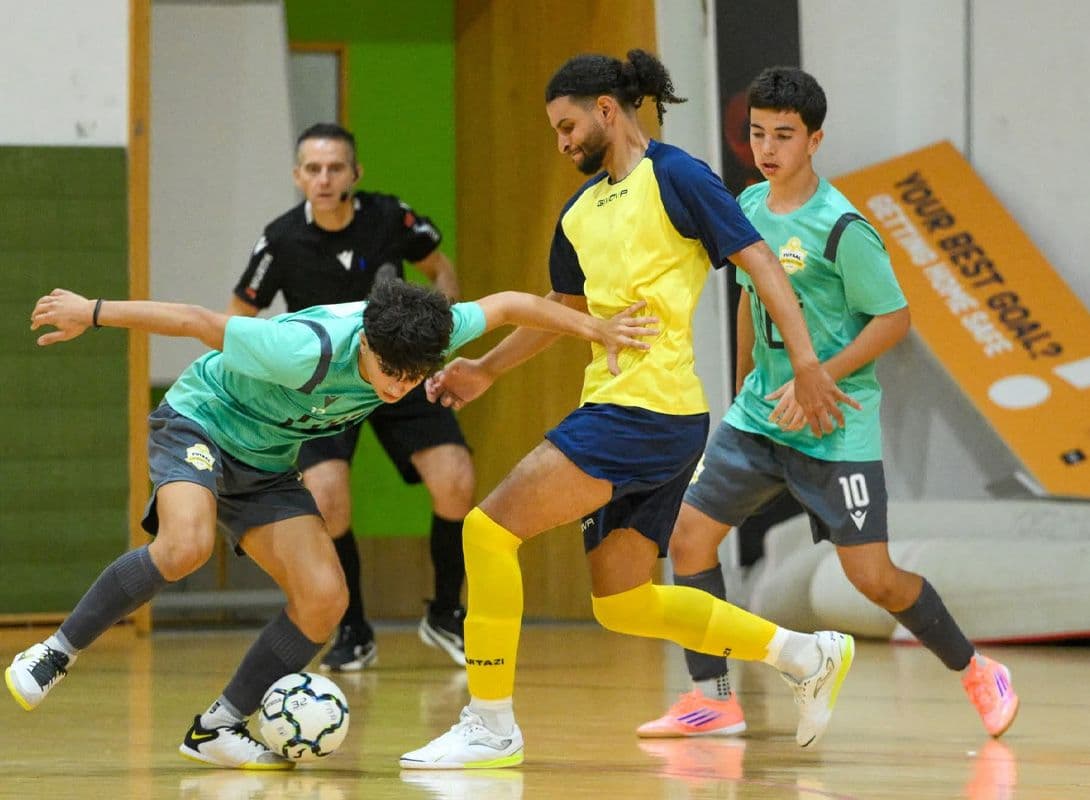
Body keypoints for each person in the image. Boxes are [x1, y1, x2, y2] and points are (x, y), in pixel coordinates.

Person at [399, 50, 862, 771]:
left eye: (566, 125)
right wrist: (486, 369)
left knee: (487, 531)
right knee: (622, 602)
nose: (561, 143)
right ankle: (804, 654)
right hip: (638, 415)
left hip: (644, 411)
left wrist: (805, 363)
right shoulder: (580, 213)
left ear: (607, 110)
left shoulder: (676, 176)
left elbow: (760, 263)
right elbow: (561, 309)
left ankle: (490, 724)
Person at [8, 278, 656, 770]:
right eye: (389, 373)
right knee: (185, 546)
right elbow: (193, 320)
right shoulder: (302, 349)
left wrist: (596, 330)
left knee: (325, 600)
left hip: (266, 465)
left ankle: (218, 726)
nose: (399, 387)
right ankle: (53, 653)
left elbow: (513, 303)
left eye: (414, 375)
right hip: (202, 423)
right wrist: (89, 312)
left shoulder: (428, 330)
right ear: (367, 343)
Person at [636, 66, 1019, 741]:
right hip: (759, 418)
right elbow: (751, 301)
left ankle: (977, 671)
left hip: (834, 426)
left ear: (815, 139)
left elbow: (893, 319)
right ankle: (714, 698)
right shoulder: (748, 206)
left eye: (784, 135)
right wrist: (743, 389)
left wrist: (823, 375)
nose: (768, 148)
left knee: (873, 579)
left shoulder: (845, 228)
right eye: (758, 134)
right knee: (689, 539)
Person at [230, 122, 472, 671]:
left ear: (354, 174)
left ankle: (445, 613)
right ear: (298, 176)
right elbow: (237, 319)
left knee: (456, 480)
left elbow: (439, 268)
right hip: (324, 387)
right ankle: (355, 628)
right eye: (312, 169)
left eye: (335, 167)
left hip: (398, 368)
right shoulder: (280, 240)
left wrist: (436, 338)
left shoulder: (391, 218)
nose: (323, 177)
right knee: (328, 498)